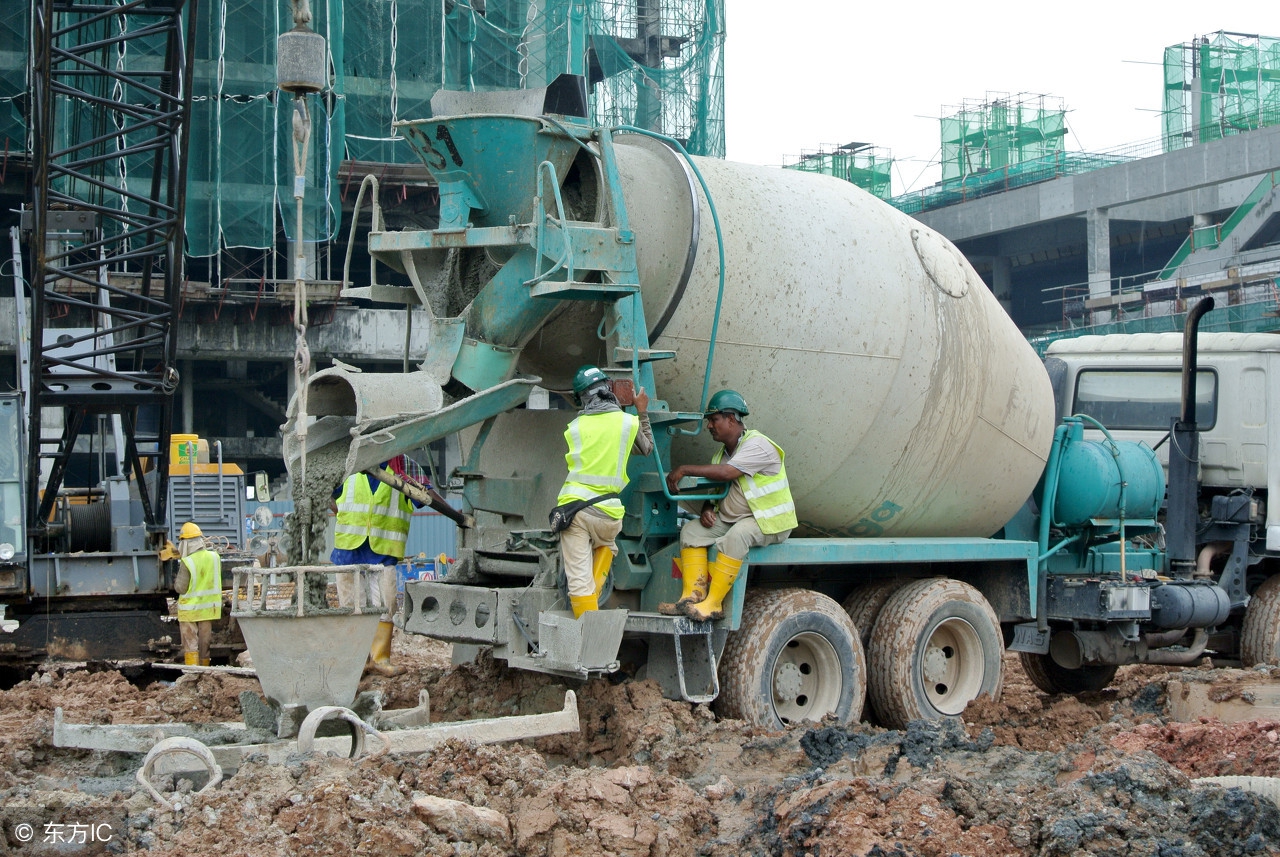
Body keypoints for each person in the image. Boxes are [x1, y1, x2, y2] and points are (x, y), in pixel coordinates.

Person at [662, 389, 796, 621]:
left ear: (731, 419)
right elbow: (716, 491)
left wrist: (684, 469)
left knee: (737, 537)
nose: (709, 426)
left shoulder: (758, 445)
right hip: (735, 519)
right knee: (691, 531)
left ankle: (713, 604)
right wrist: (706, 509)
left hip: (768, 521)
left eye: (713, 420)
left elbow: (727, 473)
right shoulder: (720, 455)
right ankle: (691, 597)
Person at [331, 454, 447, 676]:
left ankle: (380, 658)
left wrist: (455, 516)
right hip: (348, 549)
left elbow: (427, 494)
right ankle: (358, 661)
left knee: (386, 604)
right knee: (351, 607)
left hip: (384, 551)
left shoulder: (404, 466)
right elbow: (328, 492)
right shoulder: (348, 462)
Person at [557, 365, 653, 618]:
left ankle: (587, 635)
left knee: (578, 582)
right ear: (608, 389)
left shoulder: (574, 427)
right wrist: (642, 412)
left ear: (581, 398)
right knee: (607, 545)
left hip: (575, 509)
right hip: (609, 515)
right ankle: (593, 600)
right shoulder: (627, 424)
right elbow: (647, 449)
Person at [173, 522, 222, 666]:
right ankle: (205, 673)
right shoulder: (214, 557)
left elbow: (181, 588)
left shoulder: (187, 562)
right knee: (204, 644)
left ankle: (192, 674)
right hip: (209, 609)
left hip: (190, 611)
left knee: (191, 644)